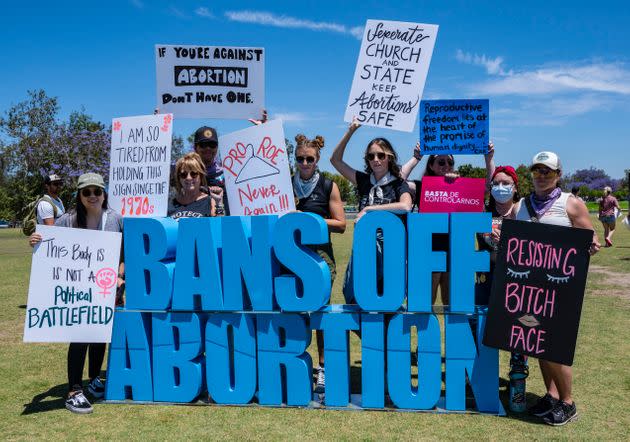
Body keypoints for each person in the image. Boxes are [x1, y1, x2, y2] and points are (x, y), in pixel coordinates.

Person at [513, 151, 600, 425]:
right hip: (529, 289)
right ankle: (552, 394)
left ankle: (568, 402)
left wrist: (592, 244)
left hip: (559, 289)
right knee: (537, 343)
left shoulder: (570, 204)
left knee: (554, 347)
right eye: (537, 171)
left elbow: (590, 238)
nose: (541, 176)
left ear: (558, 175)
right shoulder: (522, 205)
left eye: (547, 171)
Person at [29, 173, 124, 414]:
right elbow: (48, 244)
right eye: (87, 192)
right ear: (79, 195)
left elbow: (124, 254)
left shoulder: (115, 218)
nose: (92, 196)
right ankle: (74, 390)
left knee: (101, 334)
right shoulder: (67, 220)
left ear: (104, 194)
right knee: (80, 335)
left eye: (97, 191)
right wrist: (36, 240)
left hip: (105, 286)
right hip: (78, 288)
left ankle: (93, 379)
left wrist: (120, 276)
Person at [399, 143, 495, 306]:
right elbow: (397, 181)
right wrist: (416, 158)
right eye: (441, 162)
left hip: (456, 251)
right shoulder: (421, 186)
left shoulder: (461, 185)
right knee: (425, 304)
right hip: (428, 252)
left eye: (450, 162)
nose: (446, 165)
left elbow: (489, 187)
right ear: (431, 165)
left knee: (452, 305)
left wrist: (488, 158)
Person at [330, 117, 412, 303]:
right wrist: (350, 131)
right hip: (364, 250)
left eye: (381, 155)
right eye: (371, 156)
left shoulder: (399, 184)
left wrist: (370, 209)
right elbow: (335, 160)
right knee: (353, 298)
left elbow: (406, 206)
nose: (376, 160)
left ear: (389, 157)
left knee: (388, 302)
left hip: (391, 252)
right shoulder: (364, 181)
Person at [292, 134, 346, 393]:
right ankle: (293, 362)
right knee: (293, 313)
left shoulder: (328, 185)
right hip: (289, 256)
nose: (304, 163)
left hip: (320, 259)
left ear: (317, 160)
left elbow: (342, 224)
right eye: (300, 158)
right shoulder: (286, 185)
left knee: (319, 313)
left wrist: (308, 219)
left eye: (309, 159)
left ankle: (323, 368)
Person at [192, 110, 268, 215]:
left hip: (225, 227)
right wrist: (160, 123)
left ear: (217, 147)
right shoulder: (185, 175)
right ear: (195, 148)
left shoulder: (228, 174)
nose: (208, 148)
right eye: (203, 145)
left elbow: (258, 169)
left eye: (212, 144)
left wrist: (263, 130)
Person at [168, 153, 215, 219]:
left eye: (194, 174)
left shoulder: (210, 202)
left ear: (201, 176)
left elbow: (219, 227)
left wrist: (219, 204)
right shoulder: (170, 204)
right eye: (183, 174)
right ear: (179, 178)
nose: (188, 178)